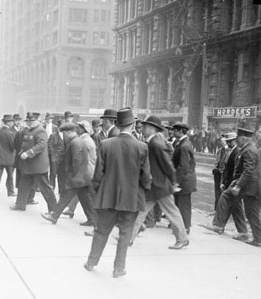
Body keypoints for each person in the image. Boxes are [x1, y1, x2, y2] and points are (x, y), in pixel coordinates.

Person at [83, 108, 151, 278]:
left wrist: (100, 190)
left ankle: (91, 262)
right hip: (131, 197)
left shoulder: (106, 144)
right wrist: (143, 189)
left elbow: (98, 174)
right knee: (125, 234)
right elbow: (146, 177)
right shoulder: (142, 147)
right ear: (133, 125)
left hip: (108, 196)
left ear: (117, 124)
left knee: (101, 231)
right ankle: (118, 268)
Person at [129, 115, 189, 249]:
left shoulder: (155, 144)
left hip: (161, 186)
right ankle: (128, 238)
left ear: (152, 128)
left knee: (171, 213)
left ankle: (182, 238)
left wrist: (174, 182)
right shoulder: (153, 142)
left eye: (145, 126)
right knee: (141, 211)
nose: (142, 128)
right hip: (156, 185)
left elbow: (167, 164)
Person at [41, 122, 95, 225]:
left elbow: (76, 161)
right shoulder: (78, 141)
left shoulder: (75, 143)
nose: (64, 135)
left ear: (69, 132)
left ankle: (54, 216)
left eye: (65, 133)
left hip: (77, 177)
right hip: (82, 177)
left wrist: (71, 176)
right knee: (85, 199)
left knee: (65, 197)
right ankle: (92, 219)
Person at [200, 132, 248, 240]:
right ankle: (242, 231)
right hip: (228, 183)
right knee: (236, 207)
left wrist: (234, 185)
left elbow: (238, 171)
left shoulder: (237, 152)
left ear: (235, 140)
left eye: (230, 141)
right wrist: (222, 182)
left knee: (224, 201)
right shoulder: (229, 151)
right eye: (227, 141)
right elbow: (225, 168)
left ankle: (218, 225)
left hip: (233, 184)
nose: (228, 143)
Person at [10, 112, 57, 212]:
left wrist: (28, 153)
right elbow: (26, 144)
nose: (29, 123)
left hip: (38, 166)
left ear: (37, 120)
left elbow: (41, 145)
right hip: (29, 166)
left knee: (45, 188)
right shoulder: (29, 131)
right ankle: (20, 205)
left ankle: (54, 210)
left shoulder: (40, 131)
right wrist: (22, 151)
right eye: (28, 121)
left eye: (32, 121)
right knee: (23, 185)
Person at [61, 120, 97, 226]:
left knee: (86, 195)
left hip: (86, 170)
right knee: (83, 194)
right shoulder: (84, 139)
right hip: (85, 170)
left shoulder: (84, 141)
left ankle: (57, 213)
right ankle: (90, 217)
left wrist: (75, 173)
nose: (77, 129)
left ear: (84, 129)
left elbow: (79, 158)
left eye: (79, 127)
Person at [171, 122, 197, 234]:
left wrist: (176, 182)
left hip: (185, 180)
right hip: (185, 179)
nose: (173, 132)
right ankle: (180, 226)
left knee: (183, 205)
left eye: (175, 130)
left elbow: (183, 166)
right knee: (179, 203)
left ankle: (185, 227)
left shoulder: (184, 146)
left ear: (181, 131)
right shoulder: (182, 143)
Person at [0, 114, 16, 199]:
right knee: (10, 175)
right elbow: (13, 146)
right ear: (8, 122)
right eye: (12, 121)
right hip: (9, 158)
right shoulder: (11, 133)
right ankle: (10, 191)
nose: (13, 123)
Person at [48, 117, 66, 196]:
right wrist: (53, 157)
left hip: (64, 160)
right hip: (55, 159)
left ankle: (61, 191)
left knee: (62, 176)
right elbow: (50, 146)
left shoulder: (67, 136)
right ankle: (51, 190)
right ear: (58, 126)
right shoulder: (53, 135)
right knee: (53, 175)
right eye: (61, 125)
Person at [212, 134, 227, 210]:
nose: (222, 142)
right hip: (217, 173)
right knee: (217, 192)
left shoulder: (229, 151)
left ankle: (222, 210)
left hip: (224, 174)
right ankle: (217, 209)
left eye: (224, 141)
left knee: (222, 192)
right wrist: (215, 168)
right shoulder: (220, 150)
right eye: (221, 141)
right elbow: (217, 161)